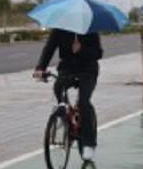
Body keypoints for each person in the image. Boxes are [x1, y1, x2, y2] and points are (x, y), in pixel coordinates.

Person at [33, 28, 103, 161]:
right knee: (58, 87)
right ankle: (65, 116)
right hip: (67, 69)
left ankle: (89, 143)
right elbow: (49, 49)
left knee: (83, 102)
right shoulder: (59, 29)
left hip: (88, 71)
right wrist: (40, 68)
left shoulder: (89, 29)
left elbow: (98, 53)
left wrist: (81, 50)